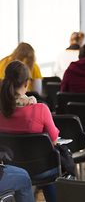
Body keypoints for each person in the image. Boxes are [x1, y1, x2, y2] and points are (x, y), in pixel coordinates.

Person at [0, 61, 59, 202]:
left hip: (9, 166)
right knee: (52, 164)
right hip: (40, 170)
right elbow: (54, 141)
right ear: (27, 83)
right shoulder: (41, 109)